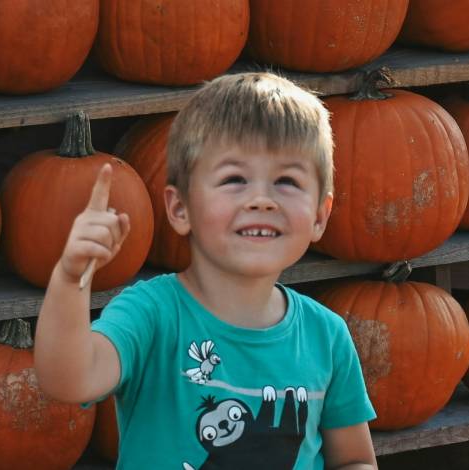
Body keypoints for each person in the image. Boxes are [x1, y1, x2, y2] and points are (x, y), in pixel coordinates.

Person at [34, 72, 378, 470]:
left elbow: (354, 459)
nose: (262, 200)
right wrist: (70, 278)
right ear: (180, 209)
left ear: (320, 215)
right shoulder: (152, 315)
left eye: (286, 181)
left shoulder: (327, 336)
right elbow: (68, 379)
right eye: (234, 179)